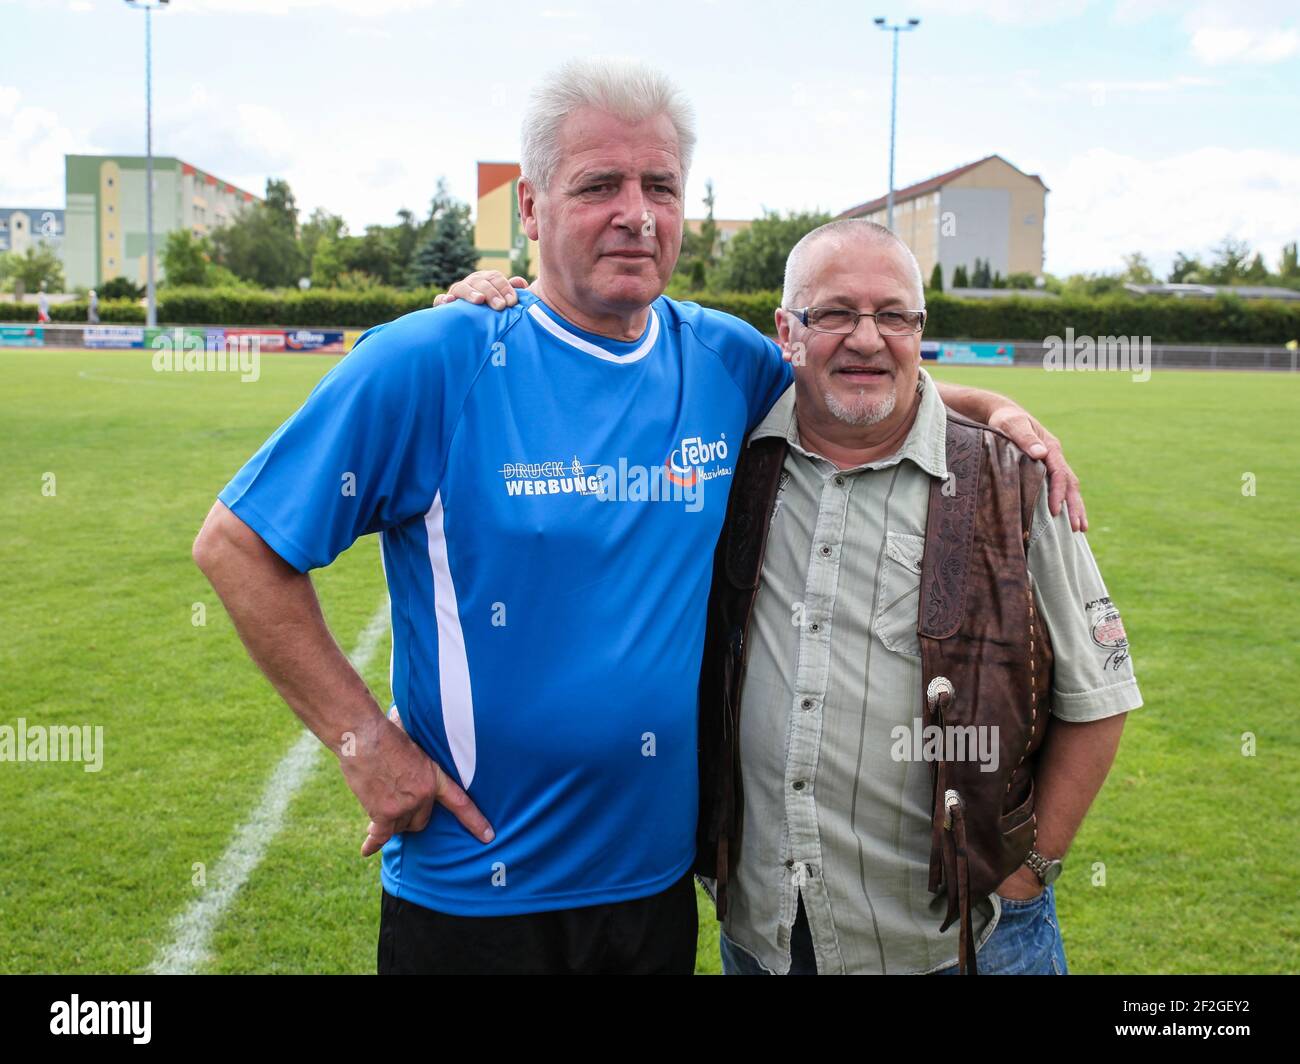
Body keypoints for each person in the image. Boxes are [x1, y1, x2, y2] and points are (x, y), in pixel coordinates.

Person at [195, 58, 1080, 975]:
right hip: (475, 887)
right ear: (530, 210)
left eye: (660, 185)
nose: (637, 212)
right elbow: (237, 546)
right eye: (599, 186)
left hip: (656, 891)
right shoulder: (436, 358)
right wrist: (361, 740)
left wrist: (986, 410)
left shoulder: (721, 360)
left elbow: (856, 383)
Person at [692, 220, 1142, 974]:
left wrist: (1033, 870)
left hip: (963, 943)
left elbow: (1101, 698)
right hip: (766, 933)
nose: (867, 339)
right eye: (835, 312)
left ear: (919, 330)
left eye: (894, 315)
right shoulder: (728, 465)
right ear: (787, 331)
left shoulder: (1012, 479)